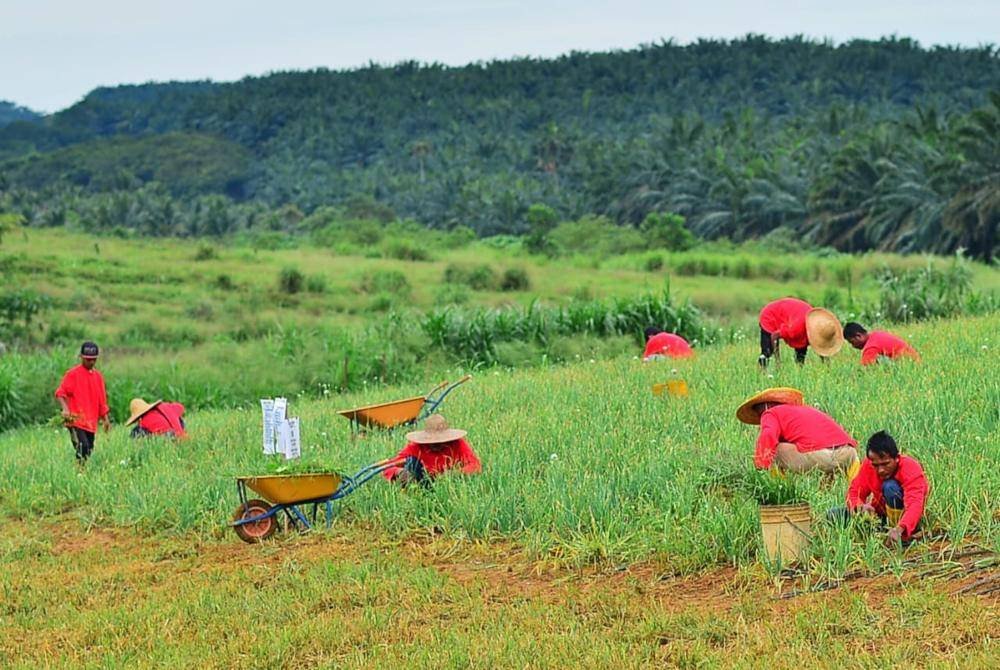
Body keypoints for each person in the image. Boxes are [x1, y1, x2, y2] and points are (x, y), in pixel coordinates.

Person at [836, 430, 929, 547]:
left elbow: (915, 504)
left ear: (897, 458)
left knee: (890, 487)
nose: (880, 470)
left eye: (885, 464)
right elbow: (854, 492)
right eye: (876, 465)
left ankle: (903, 537)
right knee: (834, 514)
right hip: (879, 515)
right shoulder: (868, 466)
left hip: (906, 522)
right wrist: (860, 507)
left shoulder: (910, 467)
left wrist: (900, 528)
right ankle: (880, 531)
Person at [737, 387, 859, 475]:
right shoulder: (805, 411)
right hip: (849, 453)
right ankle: (828, 491)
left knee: (773, 450)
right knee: (811, 447)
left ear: (765, 407)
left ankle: (778, 491)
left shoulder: (770, 413)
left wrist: (760, 467)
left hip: (822, 457)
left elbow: (768, 436)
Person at [383, 414, 481, 485]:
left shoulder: (458, 444)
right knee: (412, 463)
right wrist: (399, 472)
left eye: (440, 440)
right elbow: (388, 467)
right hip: (420, 484)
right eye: (432, 440)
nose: (436, 444)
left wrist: (452, 474)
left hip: (449, 485)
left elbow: (475, 465)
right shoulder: (415, 447)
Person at [54, 341, 110, 464]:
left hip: (91, 421)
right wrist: (65, 409)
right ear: (81, 358)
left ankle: (81, 471)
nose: (91, 362)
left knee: (89, 449)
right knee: (83, 446)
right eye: (88, 359)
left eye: (94, 360)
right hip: (76, 420)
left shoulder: (98, 377)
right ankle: (79, 471)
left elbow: (102, 401)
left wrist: (105, 419)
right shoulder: (73, 374)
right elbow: (60, 393)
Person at [758, 300, 843, 366]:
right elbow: (774, 336)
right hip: (771, 315)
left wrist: (827, 365)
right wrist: (778, 362)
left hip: (794, 314)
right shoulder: (796, 329)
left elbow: (821, 347)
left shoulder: (819, 325)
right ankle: (761, 374)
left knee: (801, 353)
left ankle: (799, 369)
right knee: (767, 353)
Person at [843, 323, 921, 366]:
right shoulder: (877, 334)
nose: (853, 346)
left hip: (908, 364)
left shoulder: (871, 347)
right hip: (915, 360)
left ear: (858, 336)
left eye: (852, 342)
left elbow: (864, 371)